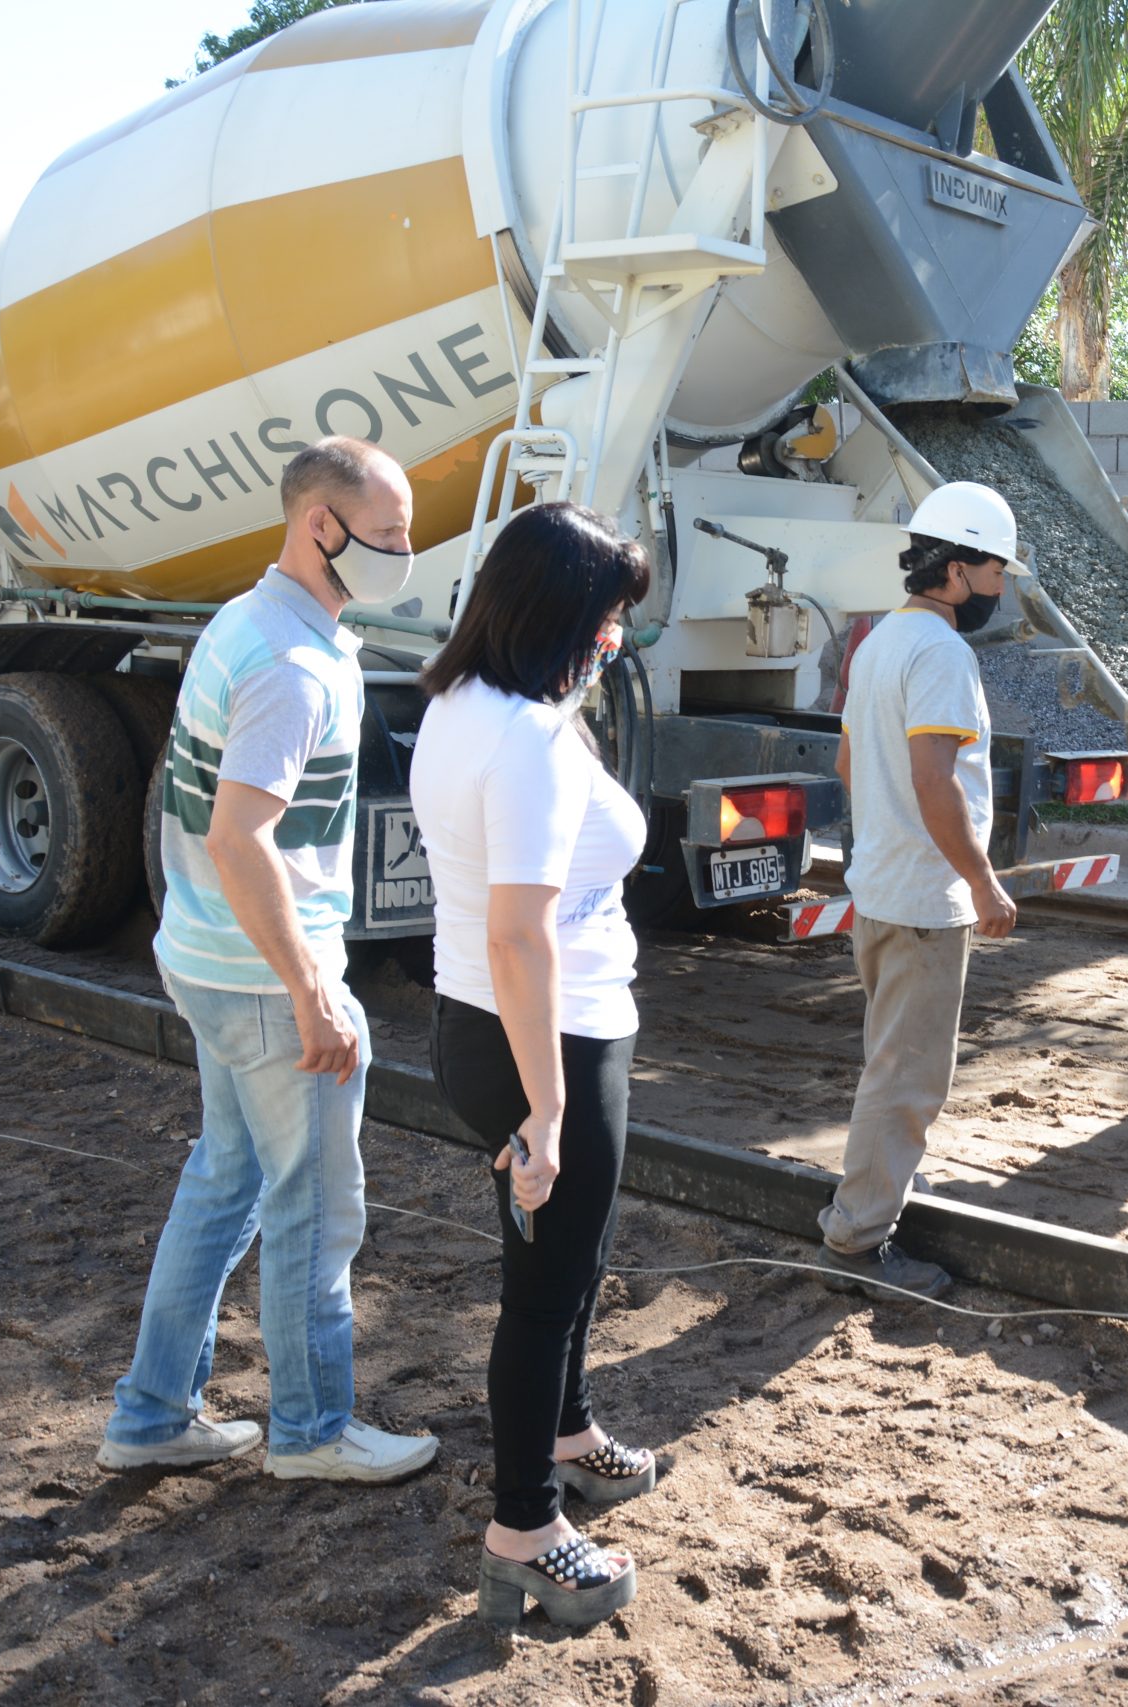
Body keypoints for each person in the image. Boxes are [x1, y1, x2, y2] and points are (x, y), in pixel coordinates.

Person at [99, 438, 437, 1483]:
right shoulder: (291, 666)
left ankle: (153, 1413)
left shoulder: (255, 623)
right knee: (314, 1207)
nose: (404, 553)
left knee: (227, 1180)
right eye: (386, 535)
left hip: (207, 957)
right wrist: (312, 991)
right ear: (319, 526)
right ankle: (310, 1430)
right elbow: (241, 836)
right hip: (260, 978)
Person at [412, 502, 657, 1630]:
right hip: (542, 1044)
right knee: (544, 1295)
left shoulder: (465, 702)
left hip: (487, 1026)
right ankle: (525, 1527)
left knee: (569, 1272)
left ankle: (568, 1434)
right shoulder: (525, 740)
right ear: (563, 612)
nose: (614, 636)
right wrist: (550, 1111)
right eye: (607, 615)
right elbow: (521, 935)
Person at [817, 481, 1025, 1301]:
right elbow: (935, 780)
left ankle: (881, 1189)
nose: (1002, 587)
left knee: (890, 1060)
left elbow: (845, 766)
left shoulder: (877, 643)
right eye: (997, 569)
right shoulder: (940, 653)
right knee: (906, 1077)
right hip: (920, 902)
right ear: (959, 566)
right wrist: (983, 882)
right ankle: (859, 1240)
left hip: (880, 890)